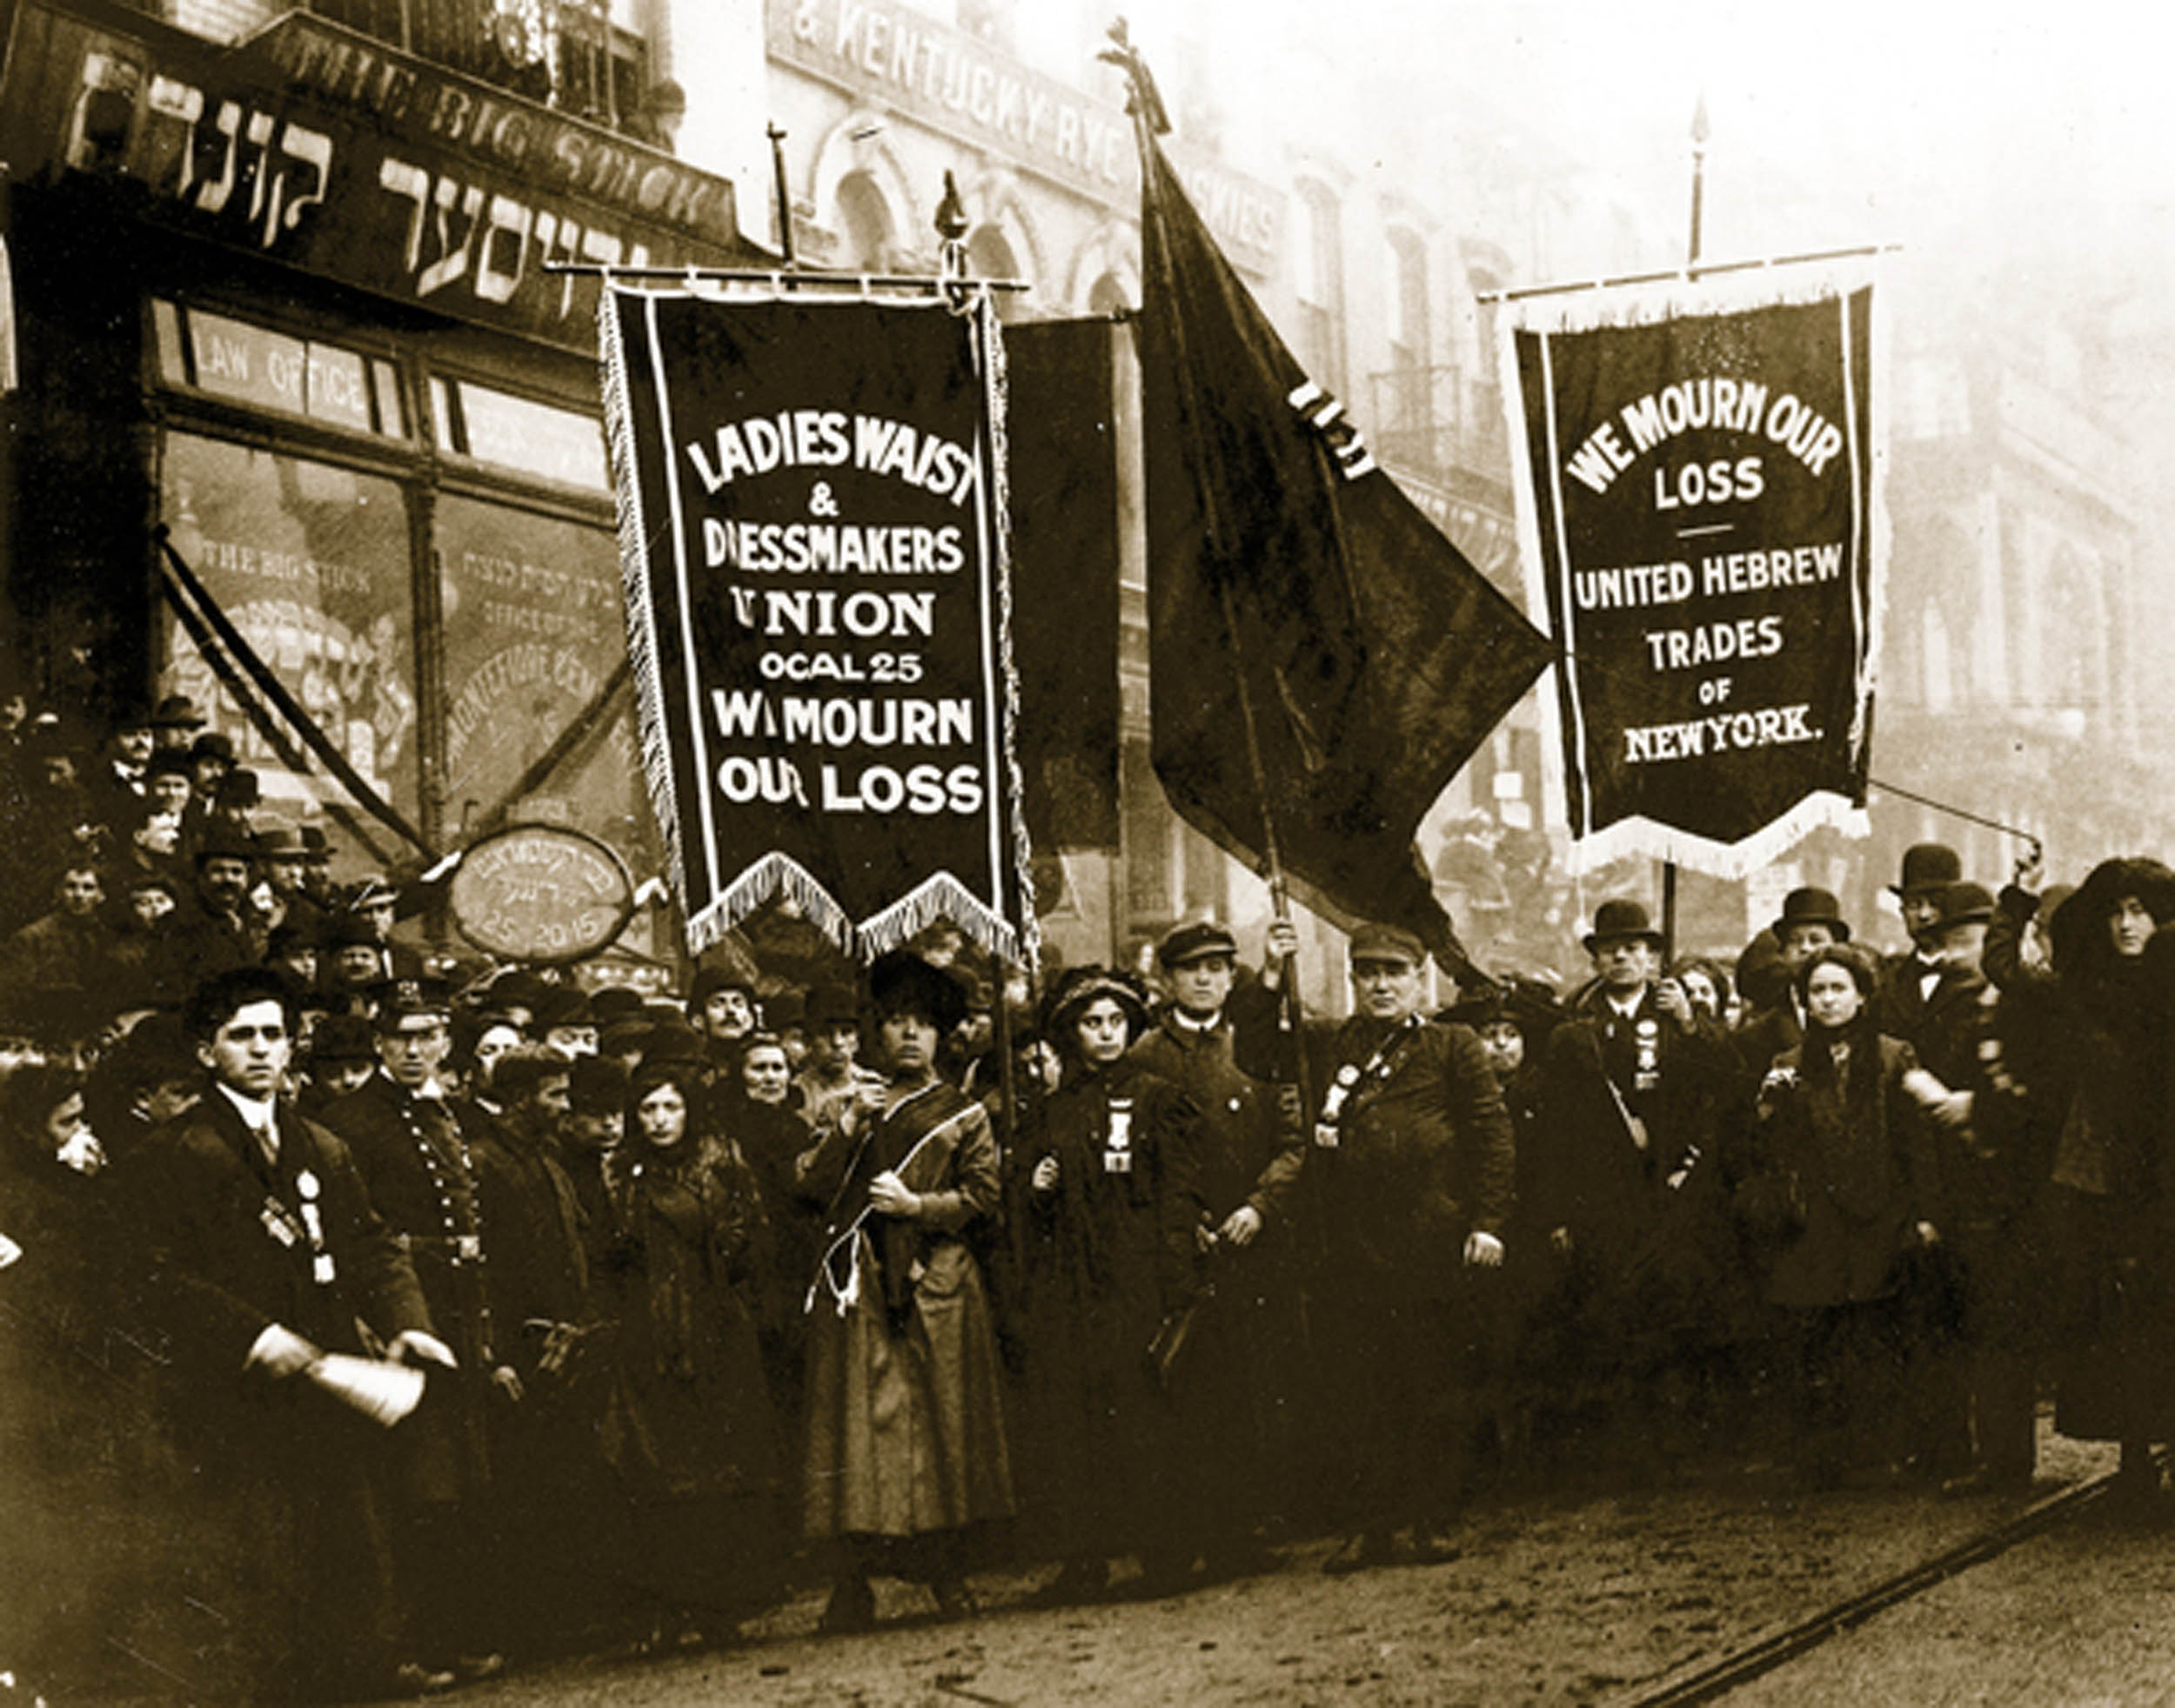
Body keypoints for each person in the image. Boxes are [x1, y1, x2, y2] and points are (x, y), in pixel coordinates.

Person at [119, 967, 447, 1699]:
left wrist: (409, 1324)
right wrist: (253, 1333)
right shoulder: (173, 1155)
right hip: (232, 1390)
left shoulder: (321, 1144)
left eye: (274, 1033)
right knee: (260, 1564)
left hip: (327, 1385)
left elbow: (371, 1245)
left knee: (350, 1547)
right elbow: (153, 1277)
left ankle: (359, 1672)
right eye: (242, 1036)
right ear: (208, 1051)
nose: (263, 1050)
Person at [1250, 919, 1513, 1571]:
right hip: (1351, 1247)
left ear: (1419, 979)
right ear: (1354, 981)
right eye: (1368, 973)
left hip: (1429, 1243)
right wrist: (1266, 974)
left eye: (1395, 973)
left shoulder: (1452, 1045)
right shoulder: (1332, 1041)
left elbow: (1492, 1136)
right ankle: (1369, 1527)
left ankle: (1428, 1521)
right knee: (1357, 1391)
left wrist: (1487, 1221)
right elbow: (1255, 1053)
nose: (1382, 985)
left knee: (1429, 1385)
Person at [799, 951, 1014, 1630]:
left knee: (941, 1429)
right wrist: (850, 1125)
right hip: (861, 1286)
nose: (910, 1035)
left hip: (939, 1284)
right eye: (895, 1022)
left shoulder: (965, 1112)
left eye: (922, 1023)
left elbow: (984, 1197)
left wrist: (918, 1206)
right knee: (862, 1439)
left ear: (941, 1034)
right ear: (877, 1033)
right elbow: (807, 1186)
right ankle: (853, 1583)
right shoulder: (851, 1104)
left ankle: (946, 1574)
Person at [318, 978, 505, 1680]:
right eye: (400, 1037)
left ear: (446, 1041)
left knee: (461, 1482)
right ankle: (411, 1646)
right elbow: (360, 1236)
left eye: (427, 1035)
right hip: (401, 1317)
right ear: (378, 1041)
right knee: (415, 1487)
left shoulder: (446, 1114)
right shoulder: (348, 1121)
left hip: (457, 1309)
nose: (414, 1049)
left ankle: (455, 1633)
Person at [1986, 851, 2175, 1507]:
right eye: (2117, 911)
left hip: (2167, 1173)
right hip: (2108, 1180)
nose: (2128, 924)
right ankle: (2133, 1459)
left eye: (2141, 910)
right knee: (2123, 1322)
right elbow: (2005, 969)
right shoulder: (2083, 986)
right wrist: (2019, 896)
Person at [1014, 966, 1203, 1601]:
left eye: (1115, 1021)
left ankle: (1164, 1554)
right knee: (1077, 1425)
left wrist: (1174, 1282)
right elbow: (1026, 1208)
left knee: (1144, 1419)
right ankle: (1083, 1560)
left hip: (1134, 1281)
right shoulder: (1052, 1110)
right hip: (1072, 1286)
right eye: (1092, 1023)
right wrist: (1036, 1189)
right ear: (1073, 1033)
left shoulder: (1157, 1097)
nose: (1105, 1034)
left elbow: (1179, 1195)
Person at [1529, 900, 1738, 1470]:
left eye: (1634, 947)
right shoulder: (1576, 1030)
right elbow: (1556, 1128)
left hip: (1671, 1188)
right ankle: (1626, 1445)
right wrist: (1559, 1211)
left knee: (1673, 1308)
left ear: (1651, 956)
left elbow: (1723, 1085)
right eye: (1610, 948)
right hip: (1602, 1193)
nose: (1622, 956)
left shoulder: (1678, 1018)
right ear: (1595, 957)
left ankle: (1681, 1439)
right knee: (1610, 1312)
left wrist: (1692, 1024)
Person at [1128, 919, 1305, 1573]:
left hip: (1254, 1244)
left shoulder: (1256, 1043)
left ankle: (1239, 1532)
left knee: (1251, 1391)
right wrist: (1185, 1222)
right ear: (1167, 979)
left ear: (1232, 977)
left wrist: (1260, 1205)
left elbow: (1294, 1136)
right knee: (1185, 1394)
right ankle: (1183, 1538)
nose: (1204, 979)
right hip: (1183, 1250)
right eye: (1190, 968)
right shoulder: (1144, 1055)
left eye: (1217, 968)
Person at [1743, 943, 1946, 1486]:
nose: (1828, 1000)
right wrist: (1769, 1108)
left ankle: (1886, 1451)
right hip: (1817, 1222)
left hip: (1880, 1215)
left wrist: (1927, 1213)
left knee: (1878, 1333)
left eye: (1838, 989)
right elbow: (1765, 1151)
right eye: (1817, 991)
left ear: (1861, 995)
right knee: (1822, 1337)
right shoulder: (1787, 1066)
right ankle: (1828, 1456)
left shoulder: (1892, 1056)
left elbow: (1917, 1145)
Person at [599, 1058, 784, 1646]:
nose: (659, 1119)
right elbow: (610, 1257)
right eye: (648, 1108)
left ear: (689, 1109)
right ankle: (670, 1607)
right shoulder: (620, 1173)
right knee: (660, 1472)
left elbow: (753, 1239)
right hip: (649, 1338)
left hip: (717, 1332)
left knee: (723, 1471)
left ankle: (720, 1604)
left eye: (670, 1106)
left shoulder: (721, 1160)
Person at [1876, 843, 1965, 1044]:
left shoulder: (1976, 975)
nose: (1924, 915)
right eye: (1915, 905)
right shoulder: (1887, 979)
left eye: (1935, 904)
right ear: (1902, 912)